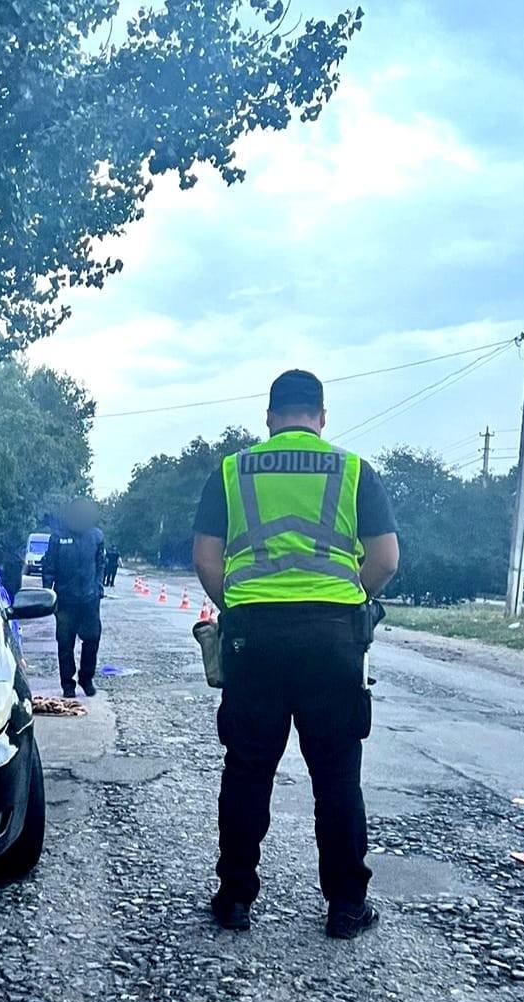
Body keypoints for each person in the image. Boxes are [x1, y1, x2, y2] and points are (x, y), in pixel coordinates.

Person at [192, 369, 399, 939]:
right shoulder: (353, 471)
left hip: (253, 637)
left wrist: (238, 605)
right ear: (322, 416)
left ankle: (234, 899)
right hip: (332, 638)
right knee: (336, 778)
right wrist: (346, 597)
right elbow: (384, 558)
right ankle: (346, 908)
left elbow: (207, 558)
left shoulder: (233, 472)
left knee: (247, 771)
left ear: (269, 416)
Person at [42, 497, 105, 698]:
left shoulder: (96, 536)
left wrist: (98, 587)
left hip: (89, 600)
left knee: (92, 639)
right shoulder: (57, 538)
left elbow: (100, 563)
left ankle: (86, 678)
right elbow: (48, 569)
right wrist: (47, 595)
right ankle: (67, 684)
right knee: (65, 643)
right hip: (65, 601)